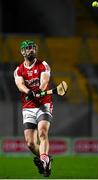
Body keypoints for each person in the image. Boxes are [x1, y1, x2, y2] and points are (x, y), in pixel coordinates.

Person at [14, 40, 53, 177]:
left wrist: (40, 90)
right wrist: (28, 92)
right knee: (30, 143)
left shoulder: (43, 65)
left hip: (44, 104)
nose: (31, 51)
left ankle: (44, 159)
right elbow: (20, 85)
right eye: (28, 49)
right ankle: (46, 157)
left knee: (42, 132)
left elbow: (44, 82)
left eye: (33, 48)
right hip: (28, 107)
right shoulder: (19, 70)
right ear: (23, 51)